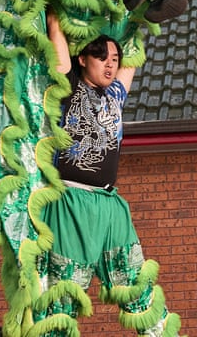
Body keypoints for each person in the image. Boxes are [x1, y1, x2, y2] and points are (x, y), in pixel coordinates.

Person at [33, 21, 174, 335]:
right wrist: (57, 24)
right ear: (83, 59)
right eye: (102, 57)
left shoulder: (116, 96)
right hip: (70, 203)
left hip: (110, 204)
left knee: (135, 282)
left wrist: (139, 10)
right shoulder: (66, 87)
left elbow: (133, 52)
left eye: (115, 58)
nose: (111, 64)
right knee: (64, 290)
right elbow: (59, 50)